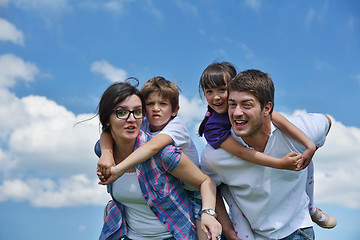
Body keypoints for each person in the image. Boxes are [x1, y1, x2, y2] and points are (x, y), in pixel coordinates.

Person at [198, 63, 336, 239]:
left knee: (308, 161)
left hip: (297, 229)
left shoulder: (298, 129)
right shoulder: (214, 147)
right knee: (230, 200)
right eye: (209, 92)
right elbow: (239, 155)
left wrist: (310, 145)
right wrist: (227, 228)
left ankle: (311, 209)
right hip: (257, 231)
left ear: (266, 108)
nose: (217, 98)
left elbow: (325, 121)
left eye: (246, 104)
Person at [96, 79, 222, 240]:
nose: (131, 119)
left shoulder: (165, 148)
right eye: (121, 112)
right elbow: (106, 135)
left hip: (183, 218)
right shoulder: (104, 149)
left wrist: (208, 213)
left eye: (136, 111)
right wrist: (107, 154)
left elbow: (154, 147)